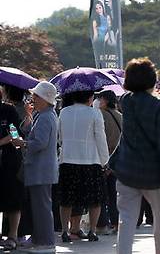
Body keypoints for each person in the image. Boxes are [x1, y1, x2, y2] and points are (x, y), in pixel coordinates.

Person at [109, 58, 160, 254]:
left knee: (127, 221)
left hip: (127, 170)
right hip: (155, 173)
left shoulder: (126, 102)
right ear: (152, 79)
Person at [10, 82, 58, 253]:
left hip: (41, 169)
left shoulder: (46, 116)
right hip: (39, 169)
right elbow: (30, 132)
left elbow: (40, 143)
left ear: (45, 98)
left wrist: (22, 143)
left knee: (42, 207)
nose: (33, 99)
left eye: (36, 96)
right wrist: (29, 118)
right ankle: (39, 239)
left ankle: (46, 242)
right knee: (38, 207)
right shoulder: (43, 114)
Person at [58, 89, 109, 243]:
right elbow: (100, 138)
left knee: (66, 199)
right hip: (90, 160)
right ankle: (92, 230)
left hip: (67, 160)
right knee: (94, 199)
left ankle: (65, 231)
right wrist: (104, 160)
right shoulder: (95, 113)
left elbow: (60, 137)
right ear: (89, 97)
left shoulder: (64, 112)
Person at [0, 89, 25, 251]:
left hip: (8, 160)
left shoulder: (8, 110)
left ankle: (13, 235)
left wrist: (4, 141)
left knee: (13, 199)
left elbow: (15, 133)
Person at [94, 90, 122, 235]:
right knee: (114, 194)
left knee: (102, 195)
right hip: (117, 162)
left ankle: (102, 225)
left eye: (100, 98)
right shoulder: (121, 116)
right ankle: (117, 224)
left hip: (103, 159)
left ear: (104, 100)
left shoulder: (100, 115)